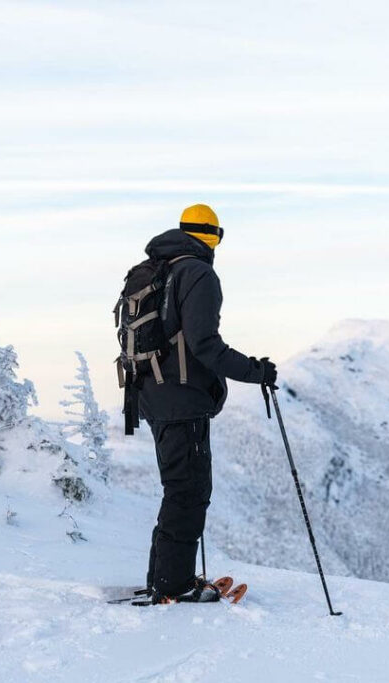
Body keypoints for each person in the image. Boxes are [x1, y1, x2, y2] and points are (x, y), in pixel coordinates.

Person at [137, 203, 277, 603]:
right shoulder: (197, 272)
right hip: (182, 398)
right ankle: (174, 585)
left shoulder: (154, 270)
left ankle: (163, 578)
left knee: (177, 489)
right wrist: (256, 371)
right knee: (189, 492)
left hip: (152, 394)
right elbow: (204, 345)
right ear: (214, 236)